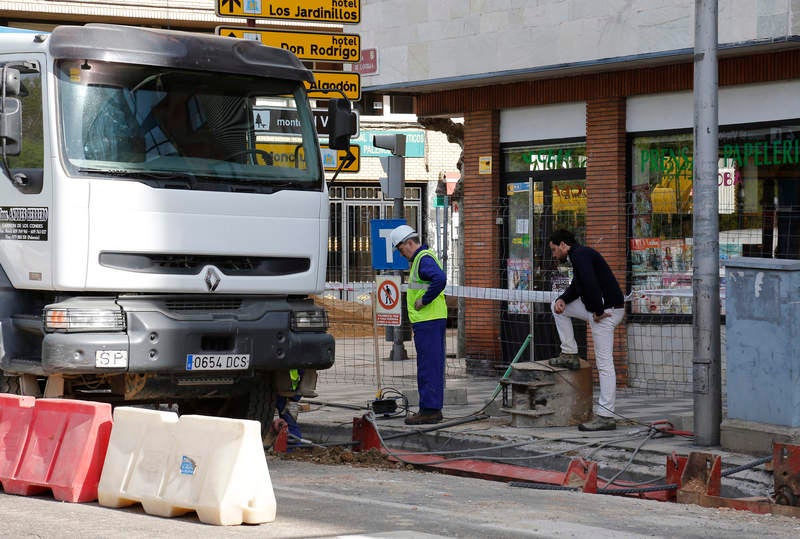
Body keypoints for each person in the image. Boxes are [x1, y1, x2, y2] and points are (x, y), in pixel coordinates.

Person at [547, 229, 625, 432]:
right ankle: (569, 353)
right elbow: (578, 285)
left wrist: (598, 311)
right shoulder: (580, 255)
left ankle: (606, 416)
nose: (554, 255)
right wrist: (563, 299)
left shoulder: (580, 255)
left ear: (563, 244)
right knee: (556, 306)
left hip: (606, 311)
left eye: (555, 250)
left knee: (604, 363)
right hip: (601, 308)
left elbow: (590, 283)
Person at [390, 224, 447, 425]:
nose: (401, 253)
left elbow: (439, 279)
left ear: (409, 243)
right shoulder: (423, 258)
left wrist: (424, 300)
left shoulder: (423, 260)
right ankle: (430, 408)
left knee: (428, 367)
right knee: (430, 365)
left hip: (429, 320)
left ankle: (429, 410)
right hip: (429, 321)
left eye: (400, 249)